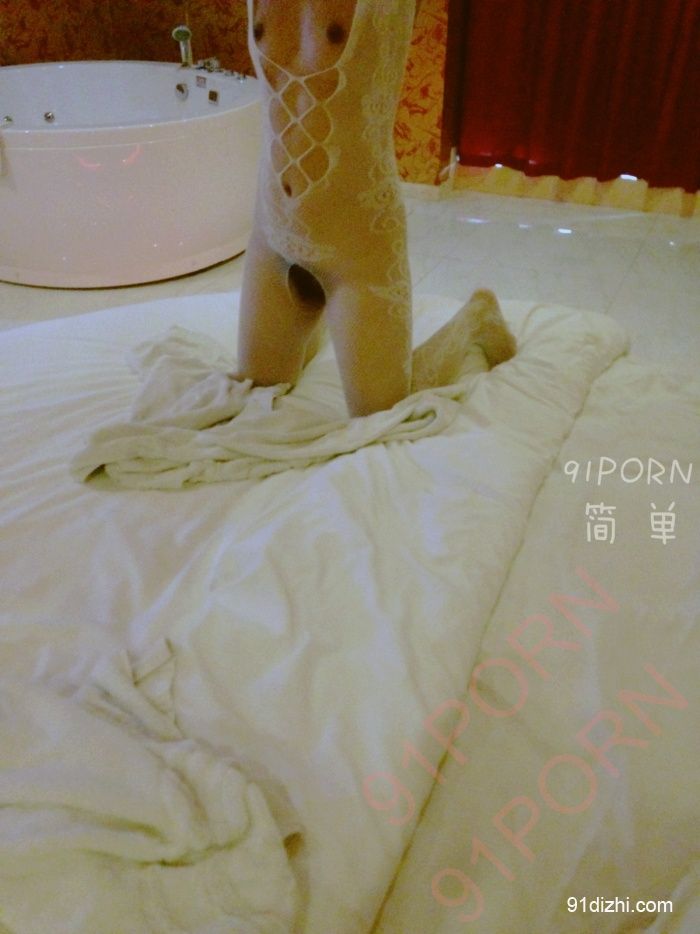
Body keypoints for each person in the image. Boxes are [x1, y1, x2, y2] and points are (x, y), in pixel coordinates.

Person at [237, 0, 516, 418]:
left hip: (357, 255)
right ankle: (318, 320)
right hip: (272, 239)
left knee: (382, 415)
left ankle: (476, 316)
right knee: (253, 392)